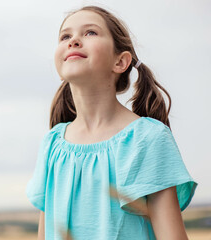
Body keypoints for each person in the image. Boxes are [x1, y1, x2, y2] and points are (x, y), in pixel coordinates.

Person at [25, 5, 198, 240]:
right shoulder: (52, 143)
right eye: (65, 36)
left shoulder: (147, 138)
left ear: (121, 62)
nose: (74, 40)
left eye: (90, 33)